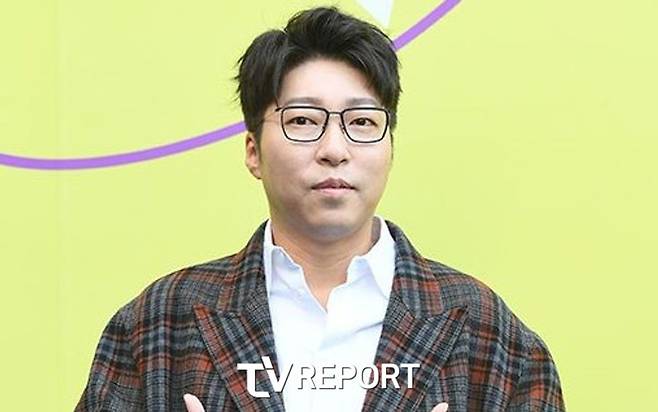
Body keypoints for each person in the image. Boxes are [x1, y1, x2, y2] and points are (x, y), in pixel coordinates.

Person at [76, 6, 565, 412]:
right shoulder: (160, 324)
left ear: (390, 146)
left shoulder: (488, 333)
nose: (335, 148)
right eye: (304, 120)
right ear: (253, 150)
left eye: (362, 121)